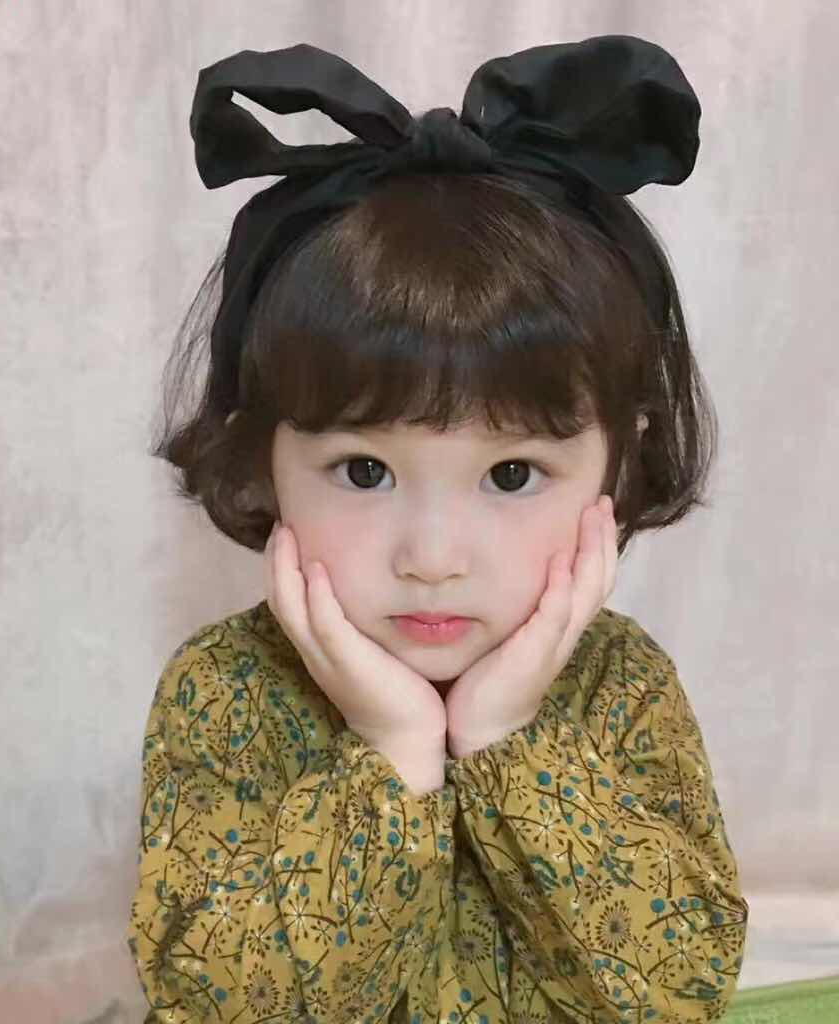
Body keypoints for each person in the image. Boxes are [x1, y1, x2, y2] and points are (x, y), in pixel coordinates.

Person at [126, 35, 749, 1023]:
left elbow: (680, 990)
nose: (431, 558)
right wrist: (392, 752)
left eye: (512, 475)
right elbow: (216, 1001)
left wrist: (507, 737)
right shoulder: (225, 691)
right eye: (363, 471)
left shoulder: (621, 684)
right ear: (261, 455)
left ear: (616, 466)